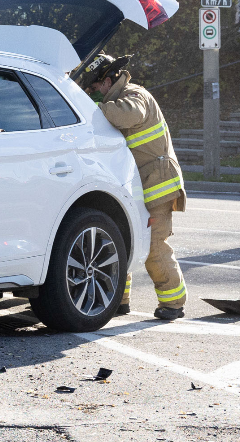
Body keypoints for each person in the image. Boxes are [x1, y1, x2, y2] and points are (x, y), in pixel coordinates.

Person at [76, 54, 188, 321]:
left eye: (94, 87)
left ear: (107, 80)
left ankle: (173, 303)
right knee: (121, 242)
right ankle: (119, 301)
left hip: (156, 186)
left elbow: (129, 115)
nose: (92, 92)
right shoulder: (114, 98)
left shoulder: (135, 95)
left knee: (153, 246)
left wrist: (92, 108)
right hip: (134, 186)